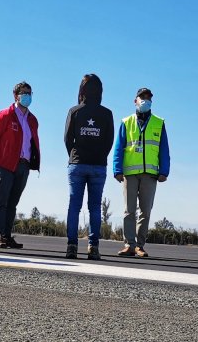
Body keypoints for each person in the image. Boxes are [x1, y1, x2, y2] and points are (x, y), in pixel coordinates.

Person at [112, 87, 170, 258]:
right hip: (129, 173)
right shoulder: (126, 122)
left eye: (149, 98)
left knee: (145, 211)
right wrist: (117, 169)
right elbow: (118, 148)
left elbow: (164, 149)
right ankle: (129, 244)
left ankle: (139, 246)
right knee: (129, 211)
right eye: (142, 97)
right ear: (135, 100)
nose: (146, 100)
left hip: (150, 174)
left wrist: (164, 170)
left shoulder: (159, 123)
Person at [63, 74, 114, 260]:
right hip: (98, 165)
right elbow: (109, 141)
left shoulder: (74, 111)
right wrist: (99, 155)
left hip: (77, 164)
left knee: (74, 206)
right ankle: (93, 247)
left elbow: (68, 139)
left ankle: (72, 246)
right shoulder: (107, 113)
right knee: (94, 207)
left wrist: (74, 155)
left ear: (82, 90)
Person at [0, 81, 40, 249]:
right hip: (4, 165)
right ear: (16, 96)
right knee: (1, 201)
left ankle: (7, 236)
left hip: (23, 165)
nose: (27, 96)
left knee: (12, 203)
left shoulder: (32, 120)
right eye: (24, 93)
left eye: (29, 93)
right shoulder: (4, 115)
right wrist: (0, 158)